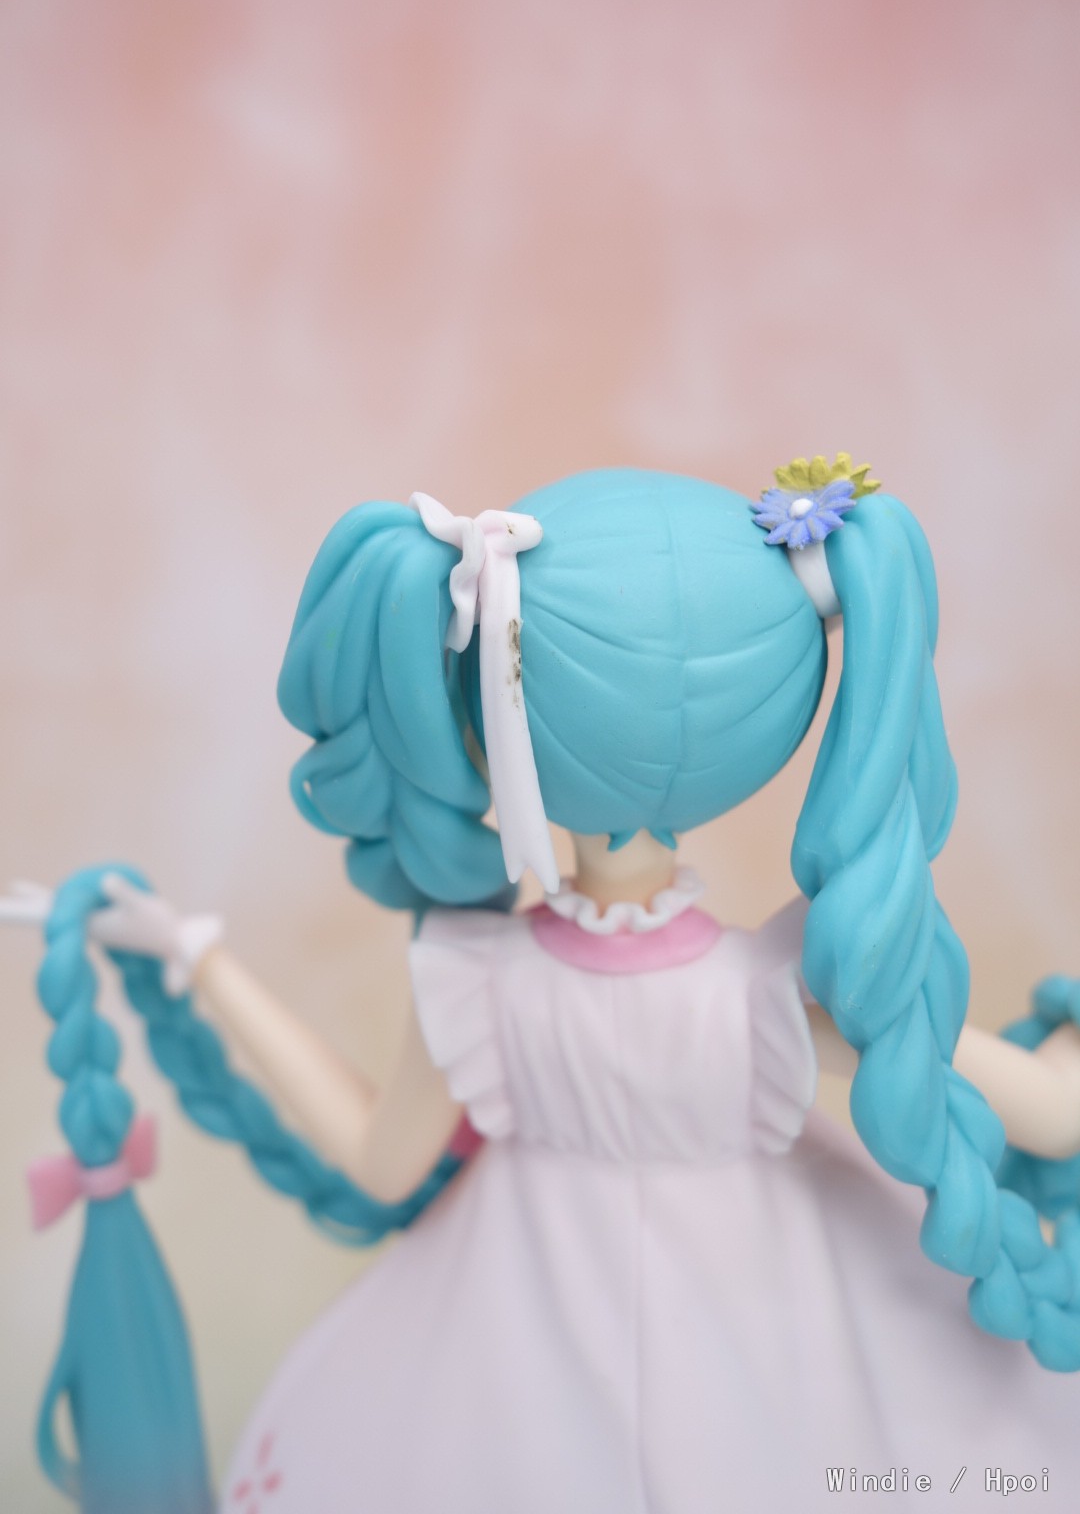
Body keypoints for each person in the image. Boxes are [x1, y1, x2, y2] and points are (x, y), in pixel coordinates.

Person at [15, 462, 1080, 1512]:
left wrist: (199, 958)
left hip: (492, 1366)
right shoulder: (776, 996)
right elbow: (1053, 1111)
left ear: (485, 710)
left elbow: (378, 1160)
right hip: (778, 1362)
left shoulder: (484, 982)